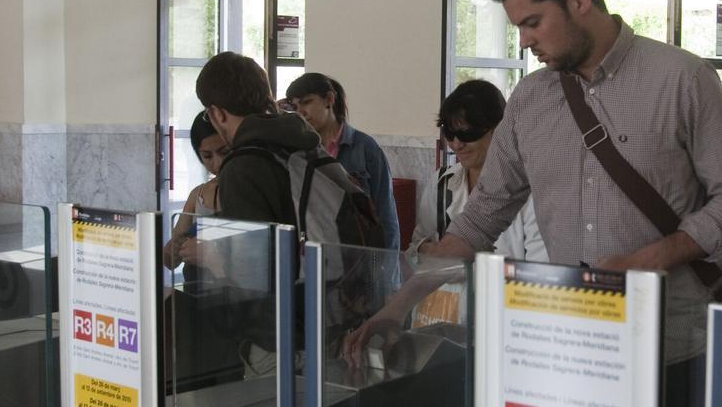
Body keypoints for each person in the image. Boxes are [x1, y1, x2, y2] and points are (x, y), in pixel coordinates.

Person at [345, 0, 722, 366]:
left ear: (579, 0)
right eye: (518, 28)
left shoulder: (682, 80)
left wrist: (646, 261)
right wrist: (396, 308)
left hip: (677, 342)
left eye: (533, 23)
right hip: (574, 343)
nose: (524, 41)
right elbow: (482, 215)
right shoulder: (530, 100)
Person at [410, 79, 546, 262]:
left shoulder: (531, 192)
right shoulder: (442, 183)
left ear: (499, 129)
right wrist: (428, 251)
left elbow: (541, 269)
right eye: (450, 134)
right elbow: (416, 248)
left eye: (468, 133)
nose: (457, 144)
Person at [195, 51, 319, 223]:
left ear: (217, 114)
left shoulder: (241, 167)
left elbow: (251, 247)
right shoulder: (306, 141)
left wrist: (208, 247)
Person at [286, 72, 401, 251]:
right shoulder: (299, 152)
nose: (301, 112)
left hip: (358, 252)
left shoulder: (364, 148)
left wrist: (386, 268)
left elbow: (385, 214)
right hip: (316, 253)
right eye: (295, 106)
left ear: (329, 99)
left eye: (307, 102)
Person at [163, 111, 229, 269]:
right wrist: (173, 249)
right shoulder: (198, 195)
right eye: (207, 156)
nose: (217, 163)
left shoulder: (248, 191)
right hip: (195, 290)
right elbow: (170, 263)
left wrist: (211, 257)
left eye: (224, 152)